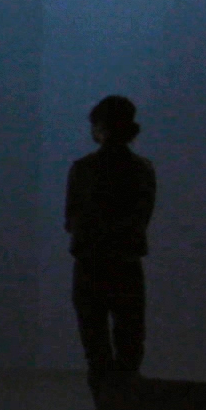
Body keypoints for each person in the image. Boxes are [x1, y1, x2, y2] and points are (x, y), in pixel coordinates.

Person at [67, 95, 154, 387]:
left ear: (99, 128)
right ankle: (127, 405)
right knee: (130, 344)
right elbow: (143, 217)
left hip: (90, 265)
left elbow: (71, 219)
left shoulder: (82, 169)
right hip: (127, 265)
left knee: (96, 348)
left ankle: (105, 409)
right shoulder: (143, 169)